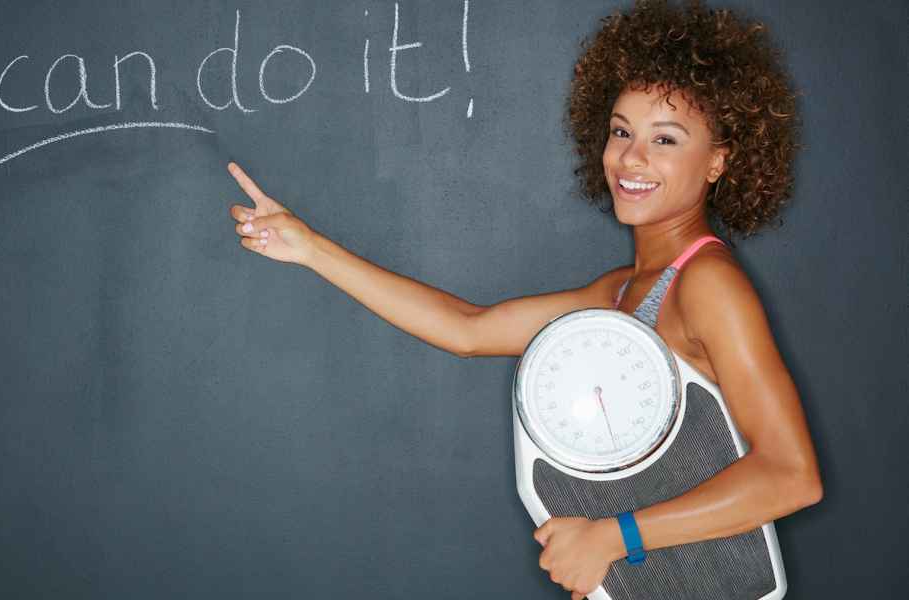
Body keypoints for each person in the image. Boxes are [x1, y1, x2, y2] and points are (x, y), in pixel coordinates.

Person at [225, 0, 822, 597]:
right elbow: (469, 329)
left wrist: (615, 538)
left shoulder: (707, 283)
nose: (631, 158)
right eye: (621, 131)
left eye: (665, 139)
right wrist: (307, 248)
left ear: (718, 161)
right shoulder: (618, 293)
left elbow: (791, 475)